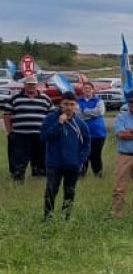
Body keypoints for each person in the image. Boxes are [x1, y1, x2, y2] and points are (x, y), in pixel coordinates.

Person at [40, 92, 90, 220]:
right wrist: (59, 123)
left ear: (76, 106)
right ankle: (48, 217)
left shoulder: (80, 124)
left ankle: (66, 217)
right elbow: (44, 136)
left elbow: (86, 144)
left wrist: (80, 161)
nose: (68, 107)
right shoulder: (51, 118)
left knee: (70, 191)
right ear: (60, 104)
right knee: (51, 190)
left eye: (72, 104)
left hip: (72, 164)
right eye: (66, 104)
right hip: (54, 163)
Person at [2, 74, 53, 182]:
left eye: (33, 84)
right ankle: (18, 178)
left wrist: (48, 131)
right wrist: (9, 132)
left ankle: (38, 179)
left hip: (40, 135)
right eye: (29, 84)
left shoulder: (45, 98)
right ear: (24, 85)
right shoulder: (15, 98)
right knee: (18, 158)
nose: (31, 86)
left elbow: (52, 115)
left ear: (37, 85)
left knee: (40, 158)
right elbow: (7, 115)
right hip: (20, 134)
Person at [77, 81, 107, 177]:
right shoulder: (78, 101)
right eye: (85, 88)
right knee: (83, 153)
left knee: (96, 154)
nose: (87, 90)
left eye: (89, 88)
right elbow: (78, 115)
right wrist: (93, 114)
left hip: (98, 133)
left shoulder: (99, 101)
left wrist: (85, 111)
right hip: (82, 133)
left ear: (93, 90)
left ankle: (98, 174)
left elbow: (100, 112)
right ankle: (82, 173)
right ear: (82, 90)